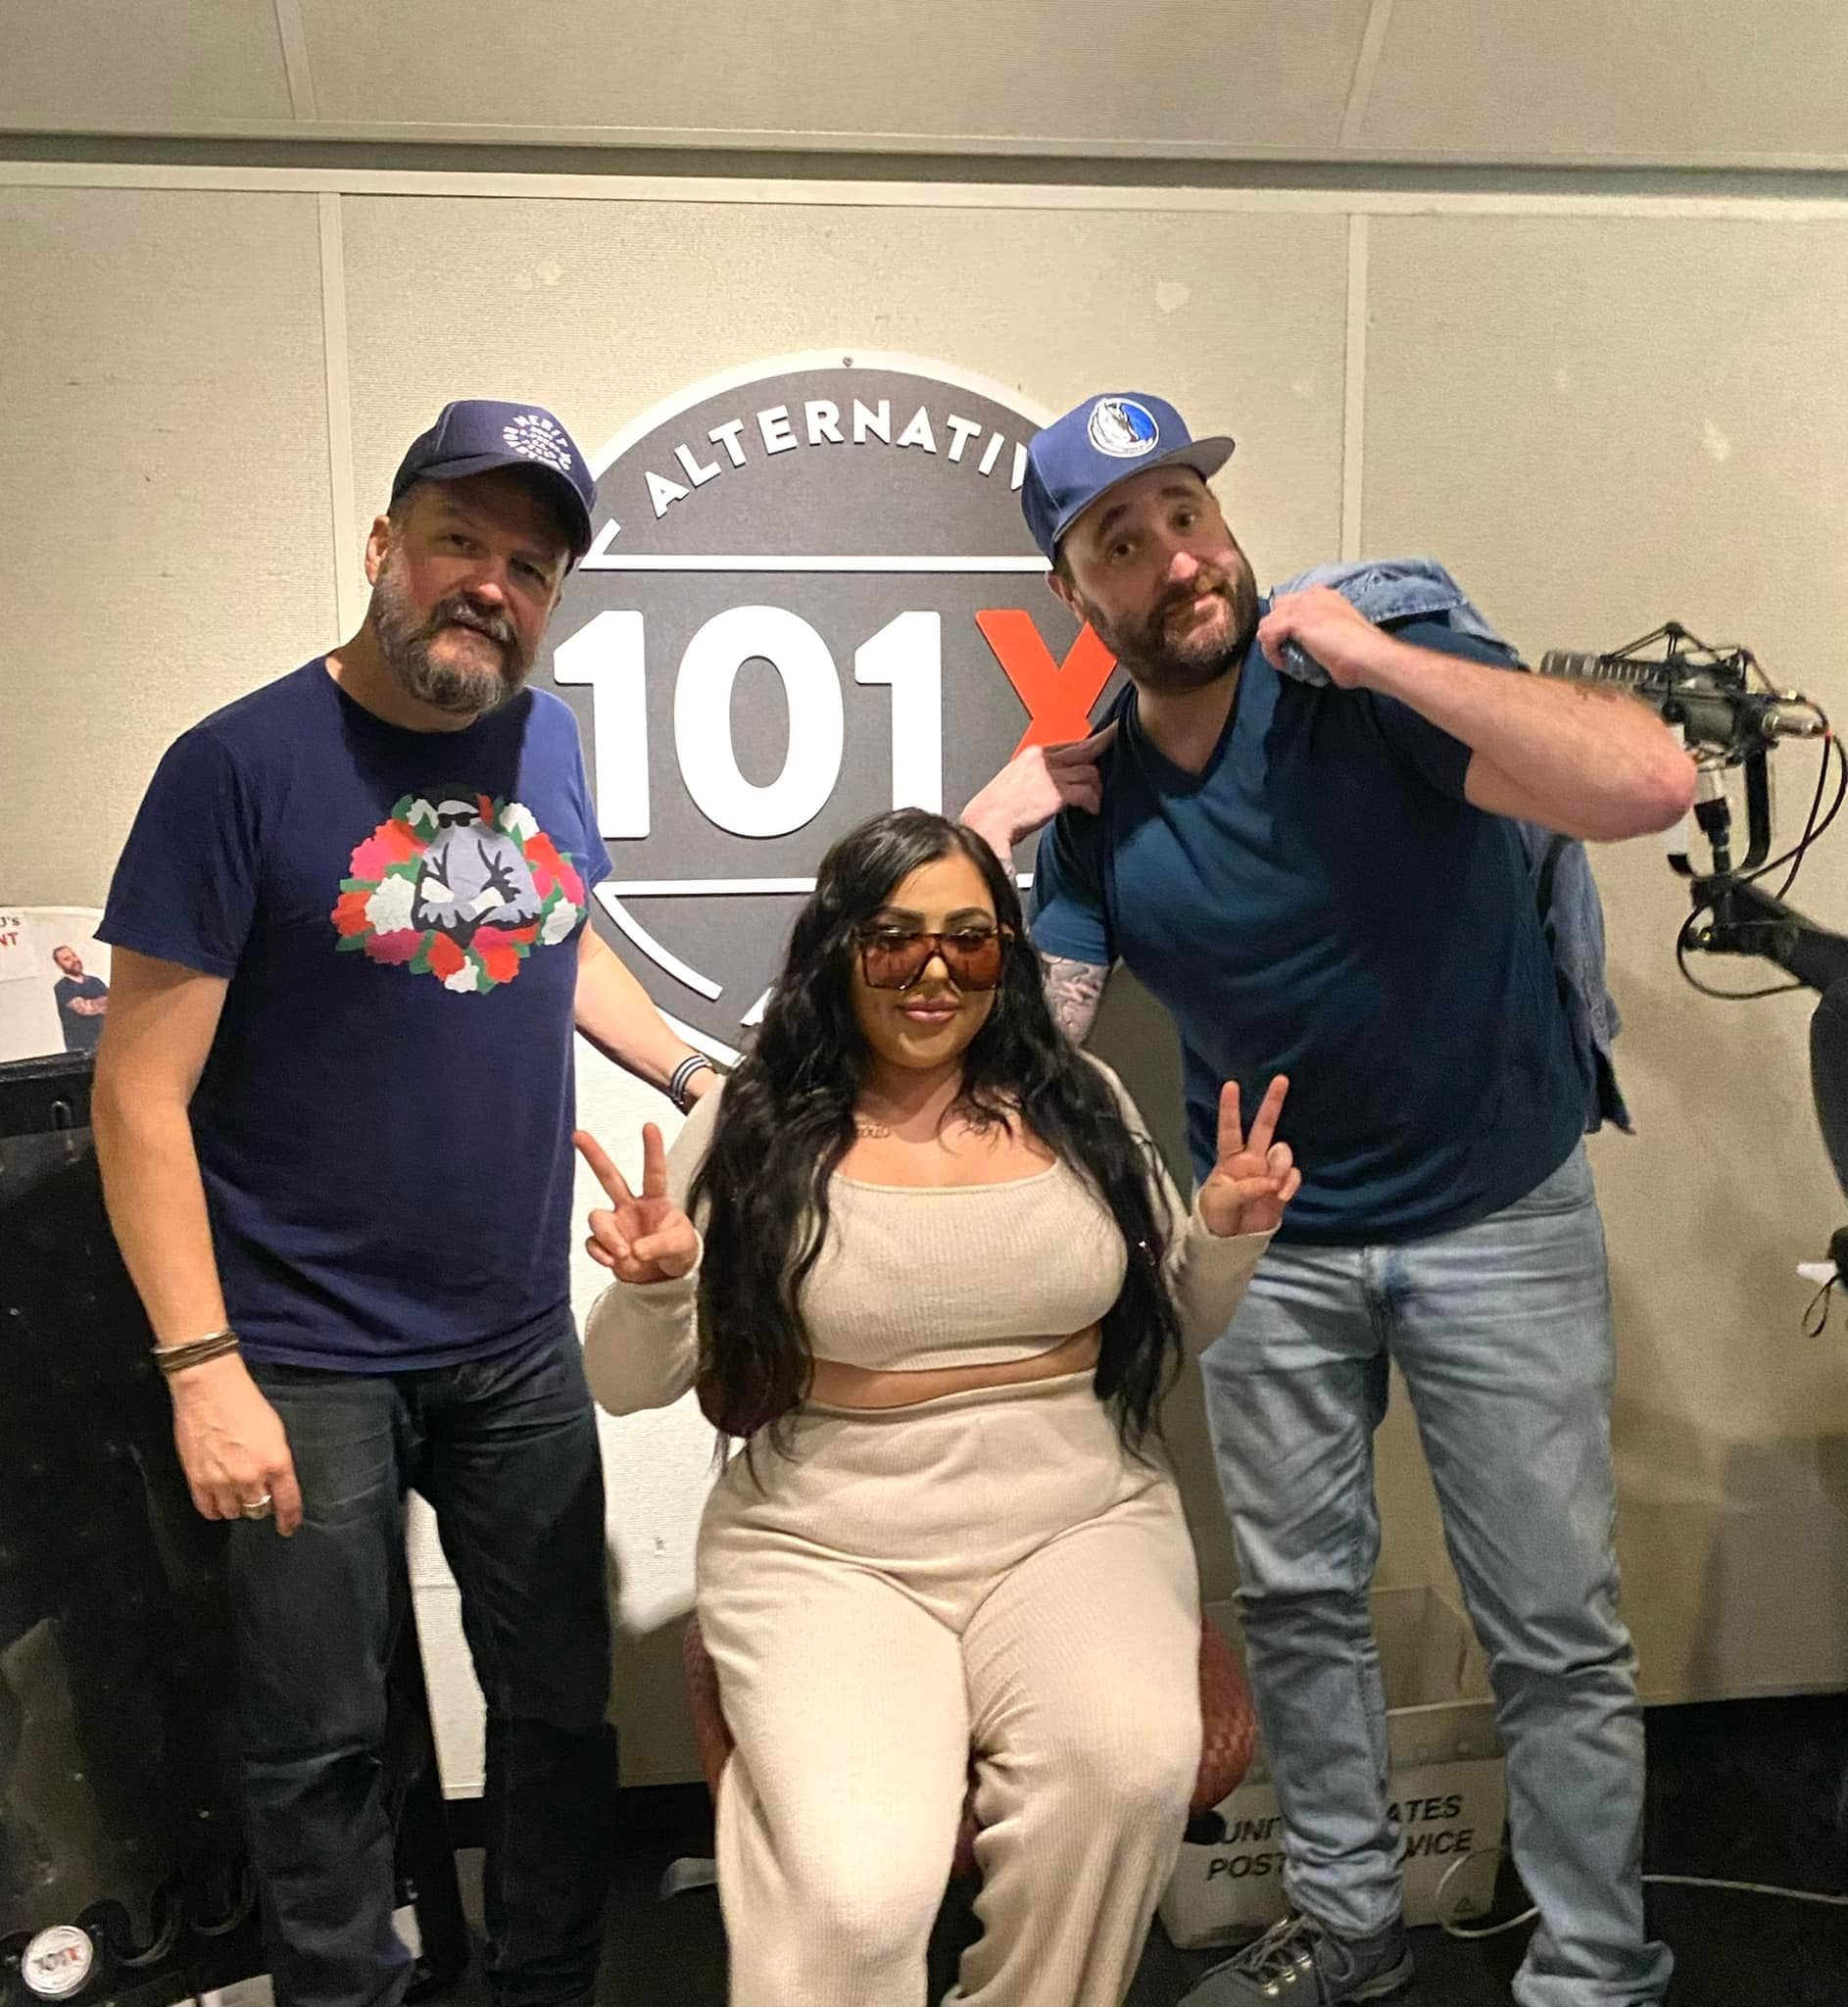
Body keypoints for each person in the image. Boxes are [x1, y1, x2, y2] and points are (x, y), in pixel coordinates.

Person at [960, 392, 1697, 2007]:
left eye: (1186, 513)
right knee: (1298, 1603)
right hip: (1272, 1242)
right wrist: (981, 830)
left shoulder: (1364, 688)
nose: (1174, 557)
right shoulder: (1094, 807)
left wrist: (1381, 660)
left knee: (1553, 1625)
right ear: (1074, 595)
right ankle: (1348, 1923)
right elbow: (1007, 1058)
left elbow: (1648, 780)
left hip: (1498, 1213)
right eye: (1121, 541)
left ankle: (1592, 1967)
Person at [90, 399, 718, 2007]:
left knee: (560, 1716)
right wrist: (201, 1370)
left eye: (530, 566)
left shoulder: (543, 741)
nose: (491, 586)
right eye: (459, 541)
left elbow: (561, 928)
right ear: (385, 546)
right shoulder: (233, 768)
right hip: (301, 1356)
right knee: (319, 1744)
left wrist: (693, 1076)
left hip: (513, 1340)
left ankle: (545, 1984)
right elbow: (136, 1095)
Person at [576, 808, 1297, 2007]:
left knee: (1126, 1768)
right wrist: (655, 1289)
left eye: (967, 938)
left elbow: (1168, 1317)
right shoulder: (755, 1124)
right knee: (859, 1889)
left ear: (1003, 956)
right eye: (893, 938)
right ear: (837, 951)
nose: (932, 970)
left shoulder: (1079, 1099)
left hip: (1079, 1519)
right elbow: (623, 1381)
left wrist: (1223, 1238)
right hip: (829, 1541)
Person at [51, 944, 108, 1053]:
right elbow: (83, 1008)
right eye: (67, 959)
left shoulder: (96, 982)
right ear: (59, 965)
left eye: (74, 955)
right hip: (81, 1049)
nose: (74, 960)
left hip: (106, 1042)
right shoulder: (62, 987)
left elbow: (115, 1004)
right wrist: (102, 1003)